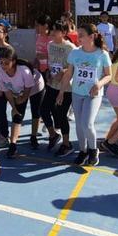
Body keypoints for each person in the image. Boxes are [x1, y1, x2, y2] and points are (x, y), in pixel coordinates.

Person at [58, 24, 113, 167]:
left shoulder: (102, 54)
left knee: (87, 124)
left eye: (81, 34)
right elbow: (69, 73)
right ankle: (82, 151)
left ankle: (93, 150)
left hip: (93, 94)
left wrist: (99, 84)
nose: (78, 37)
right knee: (78, 124)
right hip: (77, 93)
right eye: (78, 34)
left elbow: (109, 76)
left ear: (92, 36)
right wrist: (62, 91)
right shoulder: (75, 53)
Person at [0, 47, 45, 158]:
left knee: (35, 111)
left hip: (35, 86)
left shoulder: (24, 71)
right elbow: (7, 93)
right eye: (1, 62)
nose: (3, 66)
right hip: (20, 89)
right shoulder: (0, 74)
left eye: (6, 63)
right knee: (17, 116)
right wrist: (14, 107)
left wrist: (22, 99)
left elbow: (28, 89)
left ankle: (33, 136)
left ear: (13, 62)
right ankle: (13, 145)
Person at [42, 21, 76, 156]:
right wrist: (49, 73)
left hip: (66, 87)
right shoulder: (50, 45)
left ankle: (67, 144)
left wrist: (63, 72)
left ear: (64, 33)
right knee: (44, 110)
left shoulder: (71, 48)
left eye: (56, 30)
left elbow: (73, 67)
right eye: (52, 30)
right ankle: (53, 135)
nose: (53, 33)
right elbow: (51, 63)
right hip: (52, 84)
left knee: (62, 115)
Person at [33, 15, 51, 80]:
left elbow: (57, 55)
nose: (35, 27)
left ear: (45, 26)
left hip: (48, 71)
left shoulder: (51, 38)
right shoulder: (38, 36)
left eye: (37, 25)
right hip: (38, 69)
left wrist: (45, 56)